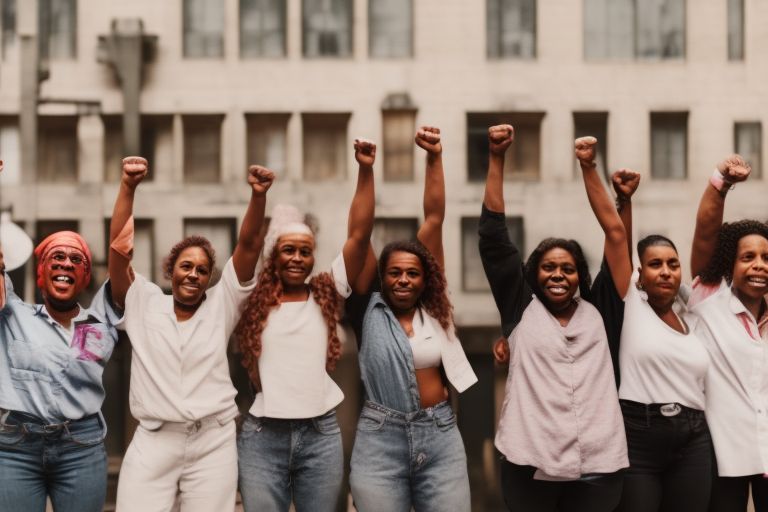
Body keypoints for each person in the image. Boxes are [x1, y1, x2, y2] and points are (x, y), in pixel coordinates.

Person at [109, 157, 274, 511]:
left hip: (212, 441)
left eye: (202, 269)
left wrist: (258, 197)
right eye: (186, 266)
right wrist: (128, 187)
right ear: (171, 271)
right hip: (154, 439)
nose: (193, 274)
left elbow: (248, 247)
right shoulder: (143, 301)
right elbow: (120, 252)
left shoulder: (222, 303)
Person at [480, 125, 627, 512]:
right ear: (533, 273)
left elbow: (616, 236)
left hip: (597, 467)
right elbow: (494, 239)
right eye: (548, 267)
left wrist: (589, 167)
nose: (558, 275)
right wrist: (497, 157)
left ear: (580, 275)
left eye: (567, 268)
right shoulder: (520, 309)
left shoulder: (601, 313)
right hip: (530, 463)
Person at [234, 138, 376, 512]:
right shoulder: (250, 300)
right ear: (273, 257)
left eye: (305, 250)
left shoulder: (327, 293)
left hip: (321, 435)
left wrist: (365, 170)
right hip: (263, 437)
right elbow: (247, 243)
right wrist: (258, 197)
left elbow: (359, 236)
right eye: (288, 250)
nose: (297, 258)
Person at [576, 136, 712, 512]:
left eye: (672, 263)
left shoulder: (693, 314)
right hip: (638, 433)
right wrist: (594, 171)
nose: (666, 271)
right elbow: (617, 235)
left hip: (694, 436)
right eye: (655, 264)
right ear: (639, 274)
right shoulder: (631, 303)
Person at [348, 126, 477, 512]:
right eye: (394, 273)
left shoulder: (435, 309)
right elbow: (359, 232)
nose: (403, 279)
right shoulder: (365, 307)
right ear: (382, 277)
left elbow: (434, 218)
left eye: (412, 273)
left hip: (439, 434)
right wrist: (366, 171)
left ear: (425, 279)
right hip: (379, 440)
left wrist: (434, 157)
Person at [0, 160, 122, 512]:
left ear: (85, 277)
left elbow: (120, 253)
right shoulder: (12, 314)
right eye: (56, 257)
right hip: (15, 448)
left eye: (76, 259)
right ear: (41, 273)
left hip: (81, 448)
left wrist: (126, 186)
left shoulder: (100, 322)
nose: (66, 263)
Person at [687, 154, 768, 512]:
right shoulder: (709, 299)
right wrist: (721, 182)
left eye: (766, 258)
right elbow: (706, 233)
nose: (759, 266)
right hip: (724, 460)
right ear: (729, 265)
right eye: (748, 257)